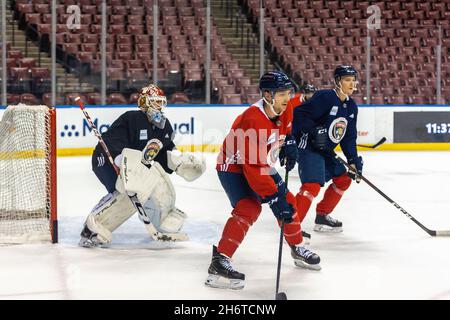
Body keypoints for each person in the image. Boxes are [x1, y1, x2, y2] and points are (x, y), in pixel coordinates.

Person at [205, 71, 321, 291]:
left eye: (288, 93)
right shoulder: (252, 118)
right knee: (249, 208)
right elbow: (254, 168)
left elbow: (285, 134)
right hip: (233, 166)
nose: (287, 98)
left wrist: (289, 147)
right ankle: (219, 261)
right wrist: (273, 198)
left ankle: (297, 247)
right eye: (282, 94)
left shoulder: (284, 110)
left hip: (256, 162)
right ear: (267, 94)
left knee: (288, 201)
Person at [79, 84, 206, 248]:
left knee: (150, 186)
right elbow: (112, 141)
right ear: (145, 103)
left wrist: (179, 164)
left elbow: (163, 153)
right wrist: (119, 160)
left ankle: (163, 220)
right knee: (125, 192)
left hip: (133, 165)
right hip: (106, 159)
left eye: (161, 102)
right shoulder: (131, 119)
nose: (159, 106)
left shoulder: (164, 126)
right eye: (155, 102)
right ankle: (91, 230)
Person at [292, 65, 363, 234]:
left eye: (353, 80)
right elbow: (299, 115)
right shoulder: (324, 97)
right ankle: (292, 225)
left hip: (325, 151)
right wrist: (315, 130)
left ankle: (322, 215)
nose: (352, 84)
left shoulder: (351, 107)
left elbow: (348, 137)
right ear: (338, 82)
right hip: (308, 146)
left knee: (344, 179)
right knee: (312, 185)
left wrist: (353, 160)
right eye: (347, 80)